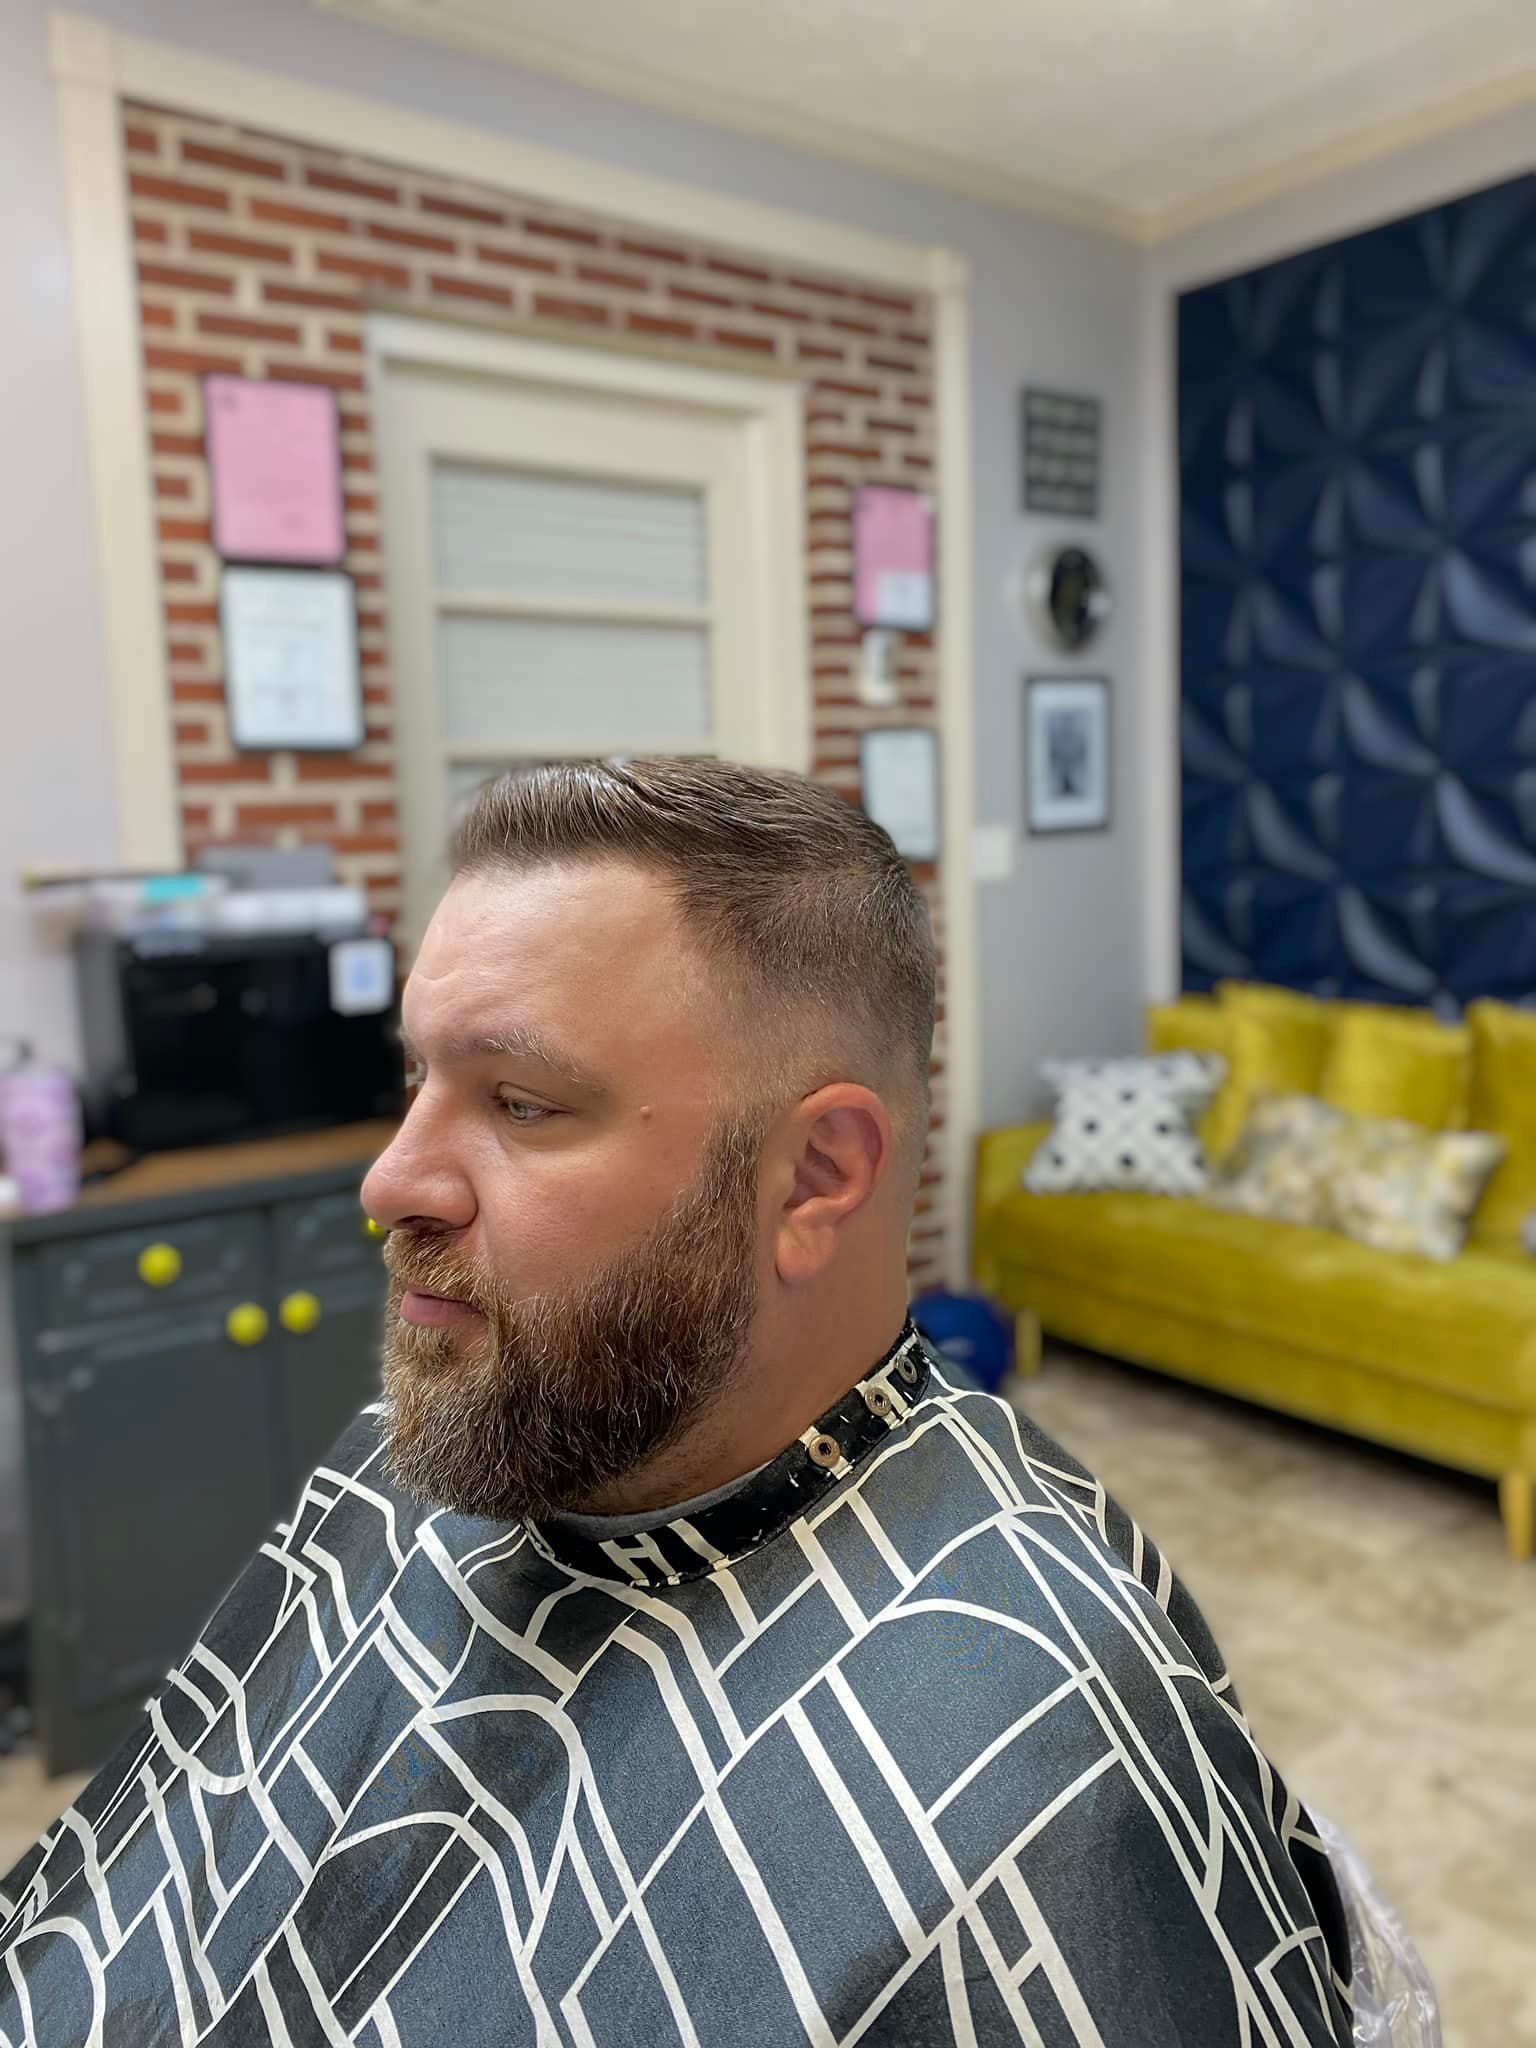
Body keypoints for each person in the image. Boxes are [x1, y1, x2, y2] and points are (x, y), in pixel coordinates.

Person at [0, 759, 1352, 2045]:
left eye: (521, 1102)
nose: (392, 1181)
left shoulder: (1048, 1772)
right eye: (416, 1080)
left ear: (817, 1176)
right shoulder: (414, 1461)